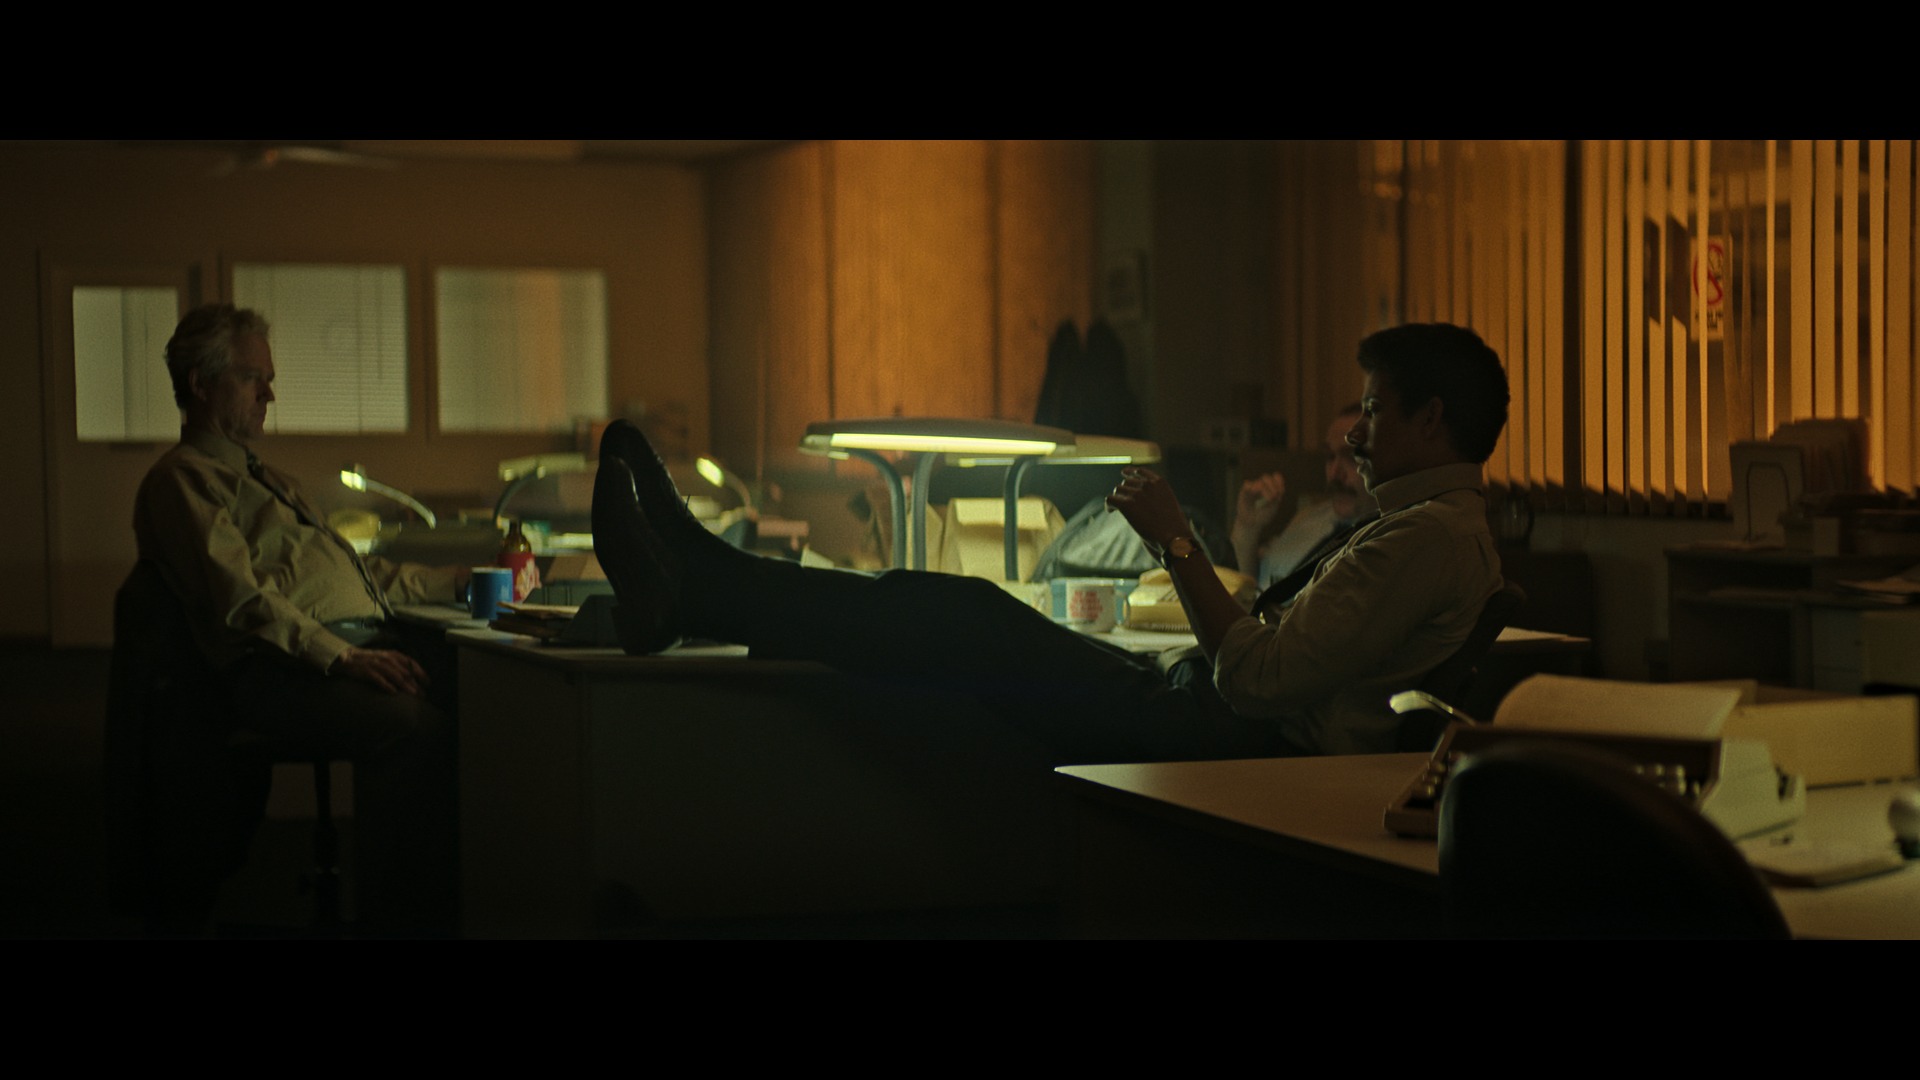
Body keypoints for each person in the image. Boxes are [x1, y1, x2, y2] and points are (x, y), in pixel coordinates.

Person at [591, 323, 1508, 764]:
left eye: (1374, 411)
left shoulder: (1427, 539)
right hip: (1198, 702)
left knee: (964, 617)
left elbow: (1260, 681)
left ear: (1431, 418)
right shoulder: (1421, 526)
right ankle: (698, 582)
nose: (1356, 436)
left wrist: (1177, 542)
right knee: (960, 616)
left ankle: (696, 586)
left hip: (1225, 735)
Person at [132, 303, 468, 937]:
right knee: (415, 730)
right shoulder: (183, 481)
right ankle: (408, 918)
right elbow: (241, 600)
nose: (269, 395)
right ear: (201, 384)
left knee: (492, 693)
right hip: (281, 669)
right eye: (252, 378)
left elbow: (363, 579)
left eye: (269, 378)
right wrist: (343, 657)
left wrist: (455, 582)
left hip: (351, 645)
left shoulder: (271, 480)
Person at [1230, 404, 1377, 592]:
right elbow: (1246, 586)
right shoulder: (1310, 517)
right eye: (1330, 457)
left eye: (1352, 456)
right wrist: (1247, 527)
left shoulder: (1389, 542)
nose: (1334, 473)